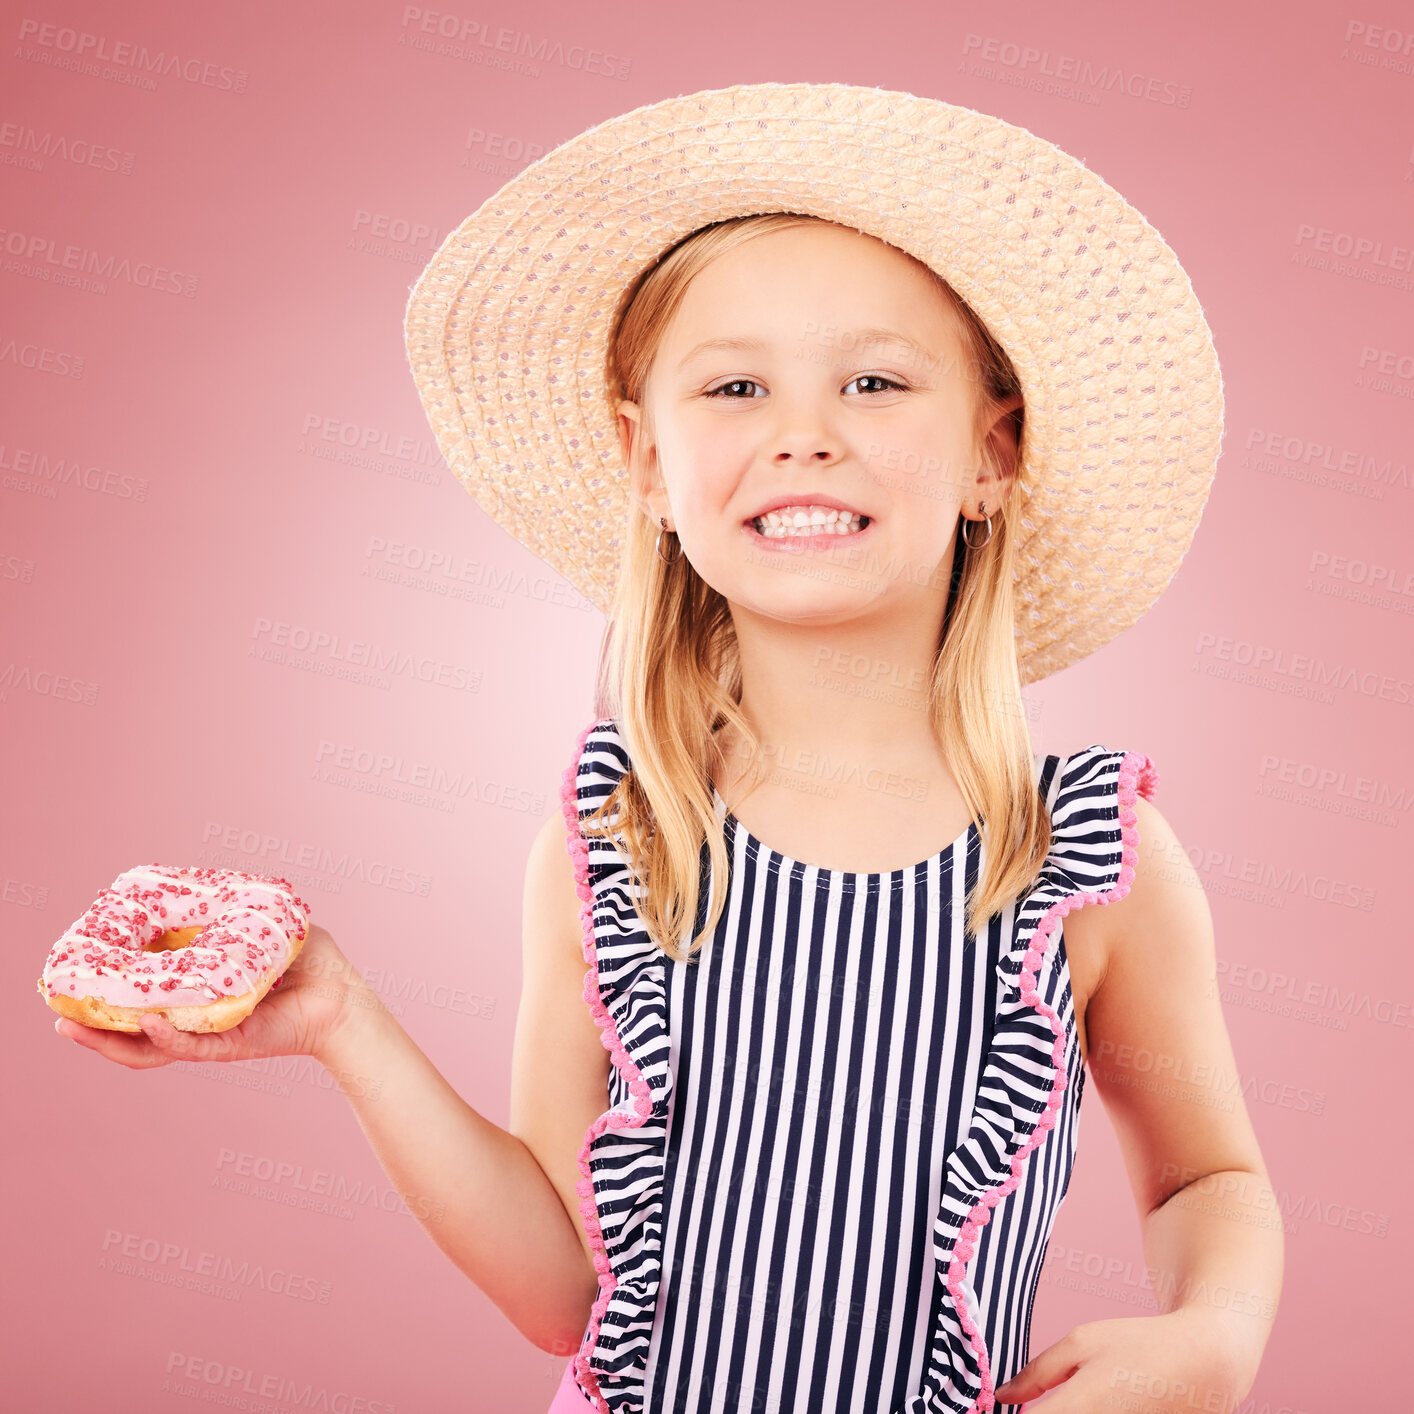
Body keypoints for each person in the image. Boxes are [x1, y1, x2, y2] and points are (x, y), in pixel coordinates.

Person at [58, 84, 1279, 1414]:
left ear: (991, 451)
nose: (801, 430)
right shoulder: (610, 848)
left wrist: (1213, 1333)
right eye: (734, 384)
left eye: (872, 380)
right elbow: (564, 1291)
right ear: (646, 460)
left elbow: (1203, 1177)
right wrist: (344, 1020)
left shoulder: (1087, 859)